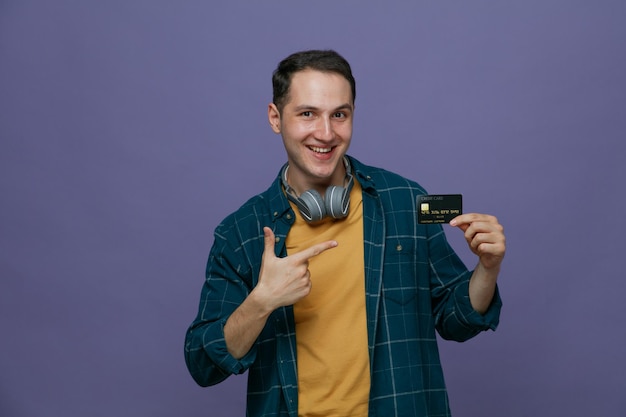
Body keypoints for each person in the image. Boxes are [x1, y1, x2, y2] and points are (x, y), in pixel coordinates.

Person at [184, 49, 505, 417]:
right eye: (307, 114)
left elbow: (457, 320)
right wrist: (261, 301)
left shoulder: (406, 200)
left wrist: (487, 268)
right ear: (276, 118)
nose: (326, 133)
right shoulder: (240, 232)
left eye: (339, 115)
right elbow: (203, 364)